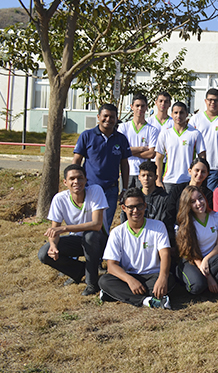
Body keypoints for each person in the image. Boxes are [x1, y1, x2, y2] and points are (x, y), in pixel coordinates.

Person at [37, 164, 108, 296]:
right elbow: (54, 229)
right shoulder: (59, 199)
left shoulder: (95, 191)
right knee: (44, 253)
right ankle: (79, 271)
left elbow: (96, 224)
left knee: (90, 236)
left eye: (80, 178)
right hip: (77, 241)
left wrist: (64, 228)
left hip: (99, 241)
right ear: (65, 182)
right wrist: (53, 245)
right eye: (72, 179)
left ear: (86, 180)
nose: (76, 182)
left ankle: (92, 283)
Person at [98, 188, 174, 308]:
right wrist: (129, 280)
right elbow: (111, 265)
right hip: (128, 275)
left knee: (169, 280)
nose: (135, 211)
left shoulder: (158, 226)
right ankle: (147, 301)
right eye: (131, 207)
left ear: (145, 206)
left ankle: (116, 294)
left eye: (139, 206)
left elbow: (165, 254)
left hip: (152, 275)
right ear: (123, 208)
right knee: (104, 281)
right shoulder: (117, 232)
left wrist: (162, 277)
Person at [73, 103, 131, 228]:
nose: (108, 120)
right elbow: (76, 161)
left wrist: (124, 188)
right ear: (98, 117)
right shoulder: (87, 136)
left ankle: (102, 247)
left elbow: (125, 165)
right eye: (105, 116)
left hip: (111, 189)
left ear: (116, 119)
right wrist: (75, 183)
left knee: (105, 226)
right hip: (89, 188)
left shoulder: (121, 139)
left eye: (112, 117)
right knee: (86, 223)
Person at [174, 185, 218, 295]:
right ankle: (183, 275)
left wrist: (206, 260)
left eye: (200, 198)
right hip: (192, 260)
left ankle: (207, 283)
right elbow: (190, 252)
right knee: (197, 286)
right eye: (193, 201)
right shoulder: (186, 223)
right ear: (187, 205)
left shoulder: (217, 217)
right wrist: (209, 277)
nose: (199, 203)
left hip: (210, 259)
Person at [155, 102, 206, 193]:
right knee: (169, 207)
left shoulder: (195, 133)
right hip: (169, 180)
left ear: (186, 114)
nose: (178, 115)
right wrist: (158, 179)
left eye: (181, 113)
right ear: (171, 114)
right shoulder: (165, 134)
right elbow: (159, 158)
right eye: (176, 113)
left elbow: (202, 157)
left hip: (188, 180)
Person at [165, 158, 215, 247]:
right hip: (178, 234)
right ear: (190, 171)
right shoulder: (177, 190)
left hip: (200, 236)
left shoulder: (208, 194)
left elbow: (208, 217)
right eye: (197, 170)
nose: (199, 174)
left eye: (203, 172)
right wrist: (171, 240)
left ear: (207, 174)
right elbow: (169, 215)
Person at [188, 88, 218, 191]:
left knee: (210, 198)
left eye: (216, 100)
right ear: (205, 101)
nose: (213, 102)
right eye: (210, 100)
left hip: (216, 167)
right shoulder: (195, 119)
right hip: (198, 168)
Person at [118, 94, 158, 188]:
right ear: (132, 107)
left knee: (142, 201)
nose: (140, 108)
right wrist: (141, 148)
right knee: (125, 200)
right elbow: (120, 150)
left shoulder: (152, 130)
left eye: (142, 106)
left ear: (146, 107)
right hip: (126, 171)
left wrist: (128, 151)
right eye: (137, 105)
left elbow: (151, 154)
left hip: (143, 174)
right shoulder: (123, 127)